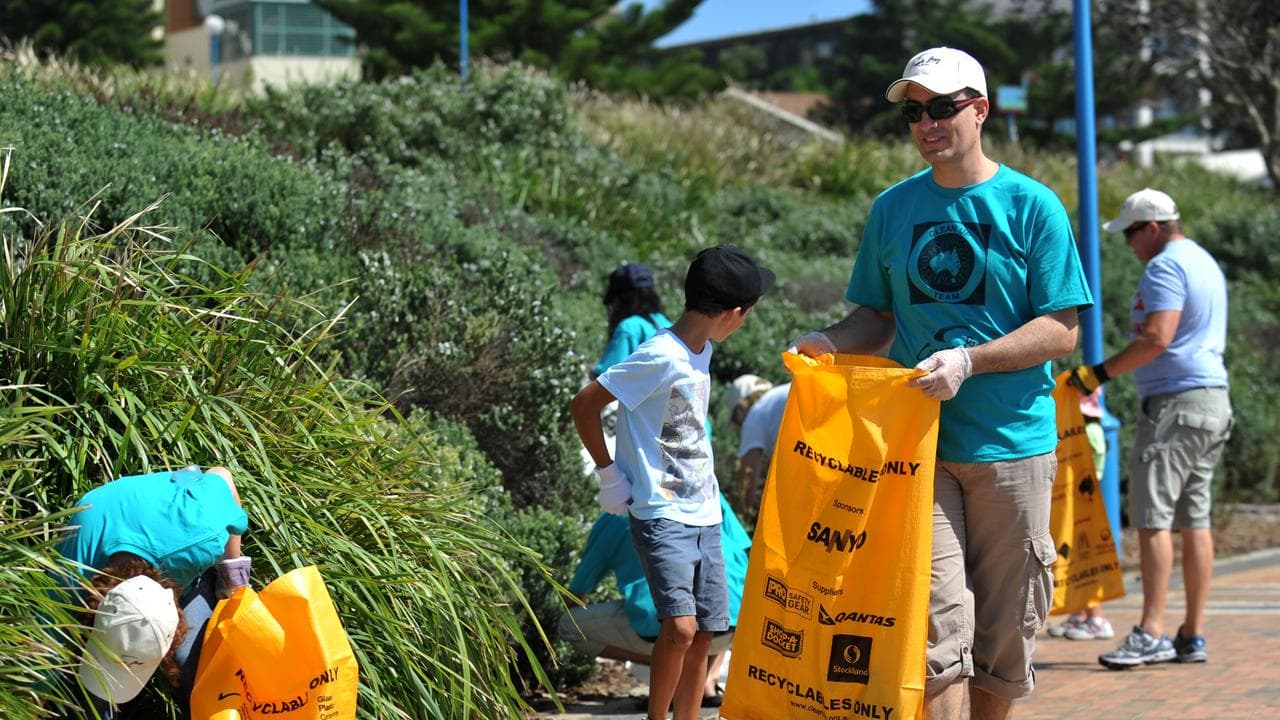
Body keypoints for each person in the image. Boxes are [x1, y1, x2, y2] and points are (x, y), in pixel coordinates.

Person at [789, 47, 1091, 720]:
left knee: (1005, 637)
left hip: (1013, 448)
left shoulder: (1032, 206)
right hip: (916, 450)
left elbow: (1062, 329)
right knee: (934, 635)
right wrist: (830, 344)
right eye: (915, 112)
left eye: (943, 107)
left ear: (979, 110)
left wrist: (970, 361)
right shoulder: (892, 209)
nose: (928, 123)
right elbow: (875, 314)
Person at [570, 244, 774, 720]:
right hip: (661, 514)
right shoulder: (659, 354)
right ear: (733, 314)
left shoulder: (699, 351)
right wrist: (609, 476)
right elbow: (585, 404)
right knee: (680, 630)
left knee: (706, 632)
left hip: (705, 512)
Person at [1068, 188, 1232, 670]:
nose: (1128, 245)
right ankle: (1192, 634)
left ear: (1153, 228)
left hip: (1175, 406)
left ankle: (1152, 631)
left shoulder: (1165, 267)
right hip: (1211, 402)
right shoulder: (1203, 261)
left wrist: (1098, 373)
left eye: (1132, 234)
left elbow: (1158, 337)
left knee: (1153, 519)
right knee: (1194, 520)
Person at [57, 465, 251, 716]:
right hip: (105, 534)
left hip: (176, 545)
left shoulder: (203, 534)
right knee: (89, 701)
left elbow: (222, 475)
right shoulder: (70, 577)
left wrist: (231, 579)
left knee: (199, 669)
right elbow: (41, 658)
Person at [557, 493, 751, 708]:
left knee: (569, 624)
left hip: (663, 628)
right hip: (736, 624)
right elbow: (743, 548)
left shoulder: (617, 515)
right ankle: (706, 681)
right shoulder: (707, 491)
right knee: (720, 594)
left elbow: (577, 591)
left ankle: (674, 672)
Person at [1045, 389, 1115, 641]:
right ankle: (1082, 611)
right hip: (1074, 502)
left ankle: (1096, 617)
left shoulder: (1087, 432)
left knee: (1080, 552)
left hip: (1079, 505)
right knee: (1071, 553)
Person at [725, 374, 790, 514]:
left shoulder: (756, 415)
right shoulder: (776, 402)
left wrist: (741, 514)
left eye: (737, 420)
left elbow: (746, 487)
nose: (740, 426)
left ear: (741, 408)